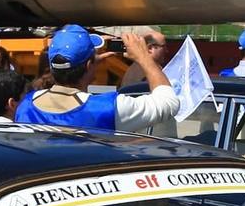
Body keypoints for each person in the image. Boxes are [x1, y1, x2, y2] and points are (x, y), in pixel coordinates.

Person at [15, 24, 179, 131]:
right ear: (88, 66)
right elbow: (168, 103)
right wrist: (144, 57)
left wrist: (88, 64)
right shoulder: (108, 108)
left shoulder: (25, 105)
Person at [118, 28, 169, 92]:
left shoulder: (138, 68)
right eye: (163, 46)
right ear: (150, 48)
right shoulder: (148, 73)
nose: (167, 51)